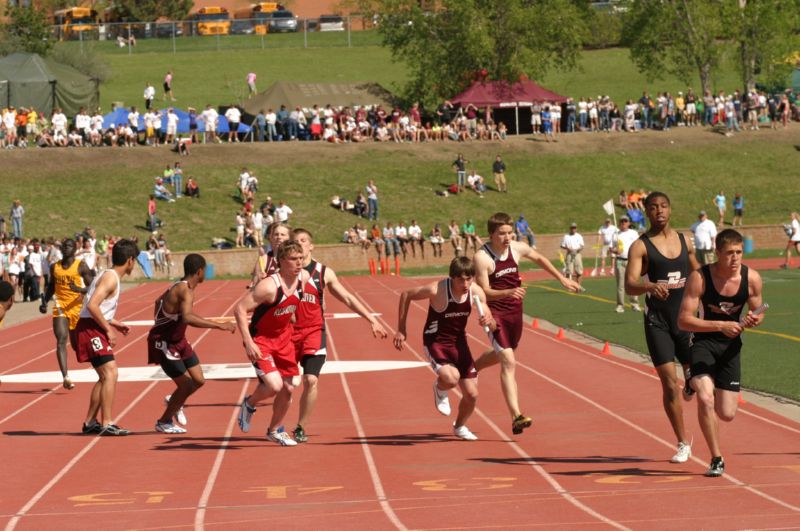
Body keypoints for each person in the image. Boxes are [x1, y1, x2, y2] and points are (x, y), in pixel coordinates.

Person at [473, 213, 581, 435]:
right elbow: (484, 292)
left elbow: (540, 259)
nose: (506, 237)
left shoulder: (517, 248)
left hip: (515, 312)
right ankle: (516, 416)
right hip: (495, 314)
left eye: (509, 232)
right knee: (509, 360)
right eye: (501, 233)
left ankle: (473, 367)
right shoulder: (482, 258)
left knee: (504, 352)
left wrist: (562, 279)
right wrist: (509, 292)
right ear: (491, 234)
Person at [677, 229, 764, 477]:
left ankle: (695, 380)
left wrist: (755, 319)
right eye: (729, 253)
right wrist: (720, 325)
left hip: (731, 347)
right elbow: (683, 320)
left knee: (726, 413)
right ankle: (716, 458)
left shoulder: (752, 279)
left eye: (739, 252)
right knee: (705, 398)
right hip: (703, 342)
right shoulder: (700, 278)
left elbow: (758, 310)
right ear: (717, 253)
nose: (735, 258)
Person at [290, 229, 388, 442]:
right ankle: (269, 419)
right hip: (287, 335)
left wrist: (371, 319)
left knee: (310, 379)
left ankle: (300, 426)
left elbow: (347, 298)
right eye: (296, 242)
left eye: (304, 241)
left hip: (314, 331)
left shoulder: (323, 272)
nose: (300, 244)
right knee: (284, 386)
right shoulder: (283, 272)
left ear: (311, 245)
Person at [625, 192, 701, 463]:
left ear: (670, 209)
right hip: (657, 321)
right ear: (646, 212)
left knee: (699, 379)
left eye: (664, 206)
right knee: (669, 385)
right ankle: (682, 443)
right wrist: (650, 285)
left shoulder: (684, 241)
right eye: (653, 207)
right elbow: (629, 285)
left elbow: (699, 274)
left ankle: (691, 377)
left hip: (685, 319)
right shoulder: (640, 246)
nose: (659, 211)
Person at [394, 257, 495, 440]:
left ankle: (460, 426)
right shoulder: (437, 289)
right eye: (461, 279)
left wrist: (489, 320)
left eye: (469, 279)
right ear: (452, 278)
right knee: (451, 378)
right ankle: (440, 388)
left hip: (459, 343)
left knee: (472, 394)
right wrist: (401, 329)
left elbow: (491, 321)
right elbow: (406, 294)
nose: (465, 284)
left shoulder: (476, 292)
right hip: (436, 342)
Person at [147, 254, 236, 434]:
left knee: (199, 380)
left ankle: (175, 401)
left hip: (179, 341)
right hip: (165, 343)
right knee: (186, 385)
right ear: (200, 271)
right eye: (205, 270)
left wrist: (163, 319)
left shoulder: (178, 285)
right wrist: (219, 326)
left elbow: (158, 302)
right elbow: (187, 317)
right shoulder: (185, 290)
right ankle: (163, 421)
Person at [235, 241, 309, 446]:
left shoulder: (304, 278)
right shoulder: (268, 286)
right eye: (294, 259)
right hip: (262, 341)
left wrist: (291, 320)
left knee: (289, 389)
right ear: (282, 261)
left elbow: (292, 306)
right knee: (274, 386)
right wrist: (249, 342)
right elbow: (239, 309)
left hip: (284, 339)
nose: (299, 263)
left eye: (301, 258)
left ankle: (274, 430)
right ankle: (249, 404)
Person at [73, 239, 139, 436]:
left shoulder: (106, 274)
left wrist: (115, 323)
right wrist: (109, 330)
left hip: (90, 326)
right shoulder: (111, 278)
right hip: (90, 328)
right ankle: (107, 422)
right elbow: (92, 305)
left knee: (104, 377)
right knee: (110, 373)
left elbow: (95, 307)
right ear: (130, 260)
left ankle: (90, 421)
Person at [40, 238, 94, 390]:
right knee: (61, 340)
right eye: (63, 246)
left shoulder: (81, 266)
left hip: (77, 308)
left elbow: (93, 286)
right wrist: (44, 301)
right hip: (61, 306)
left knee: (77, 346)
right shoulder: (54, 267)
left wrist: (79, 290)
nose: (65, 248)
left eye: (68, 246)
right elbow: (51, 287)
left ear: (75, 249)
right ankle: (66, 376)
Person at [610, 216, 640, 313]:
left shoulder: (634, 233)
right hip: (619, 261)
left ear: (629, 223)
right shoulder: (615, 234)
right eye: (621, 221)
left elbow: (639, 245)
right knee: (620, 284)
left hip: (631, 261)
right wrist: (615, 250)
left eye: (625, 221)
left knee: (633, 282)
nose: (623, 222)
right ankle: (620, 305)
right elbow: (611, 248)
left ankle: (635, 304)